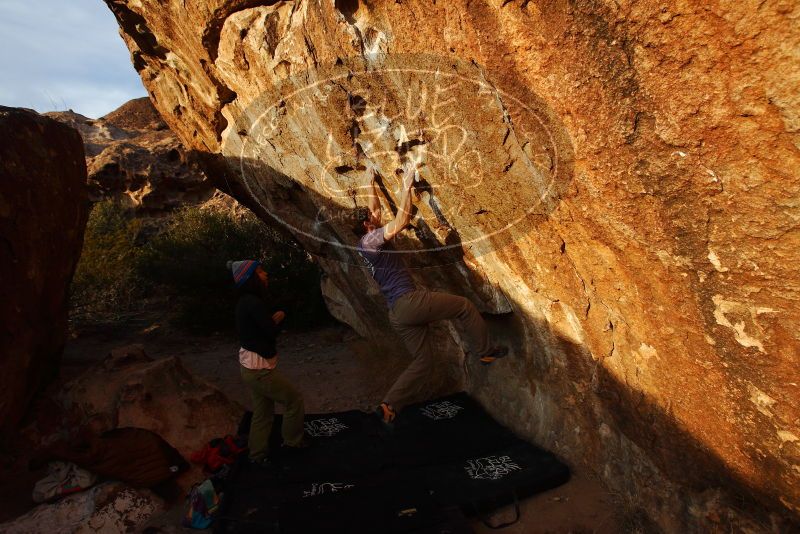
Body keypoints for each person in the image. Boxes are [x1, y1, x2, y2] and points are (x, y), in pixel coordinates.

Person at [354, 162, 508, 425]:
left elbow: (375, 208)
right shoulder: (371, 241)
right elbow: (402, 220)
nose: (375, 214)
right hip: (409, 303)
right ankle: (485, 351)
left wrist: (370, 181)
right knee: (463, 306)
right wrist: (406, 186)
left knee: (424, 362)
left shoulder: (363, 242)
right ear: (368, 225)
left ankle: (389, 405)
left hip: (398, 314)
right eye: (371, 217)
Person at [227, 259, 308, 464]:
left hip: (249, 366)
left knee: (263, 412)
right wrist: (278, 318)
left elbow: (256, 330)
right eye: (261, 272)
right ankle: (293, 443)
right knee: (293, 400)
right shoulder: (253, 303)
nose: (266, 275)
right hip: (259, 369)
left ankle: (257, 455)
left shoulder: (245, 301)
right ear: (251, 278)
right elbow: (269, 332)